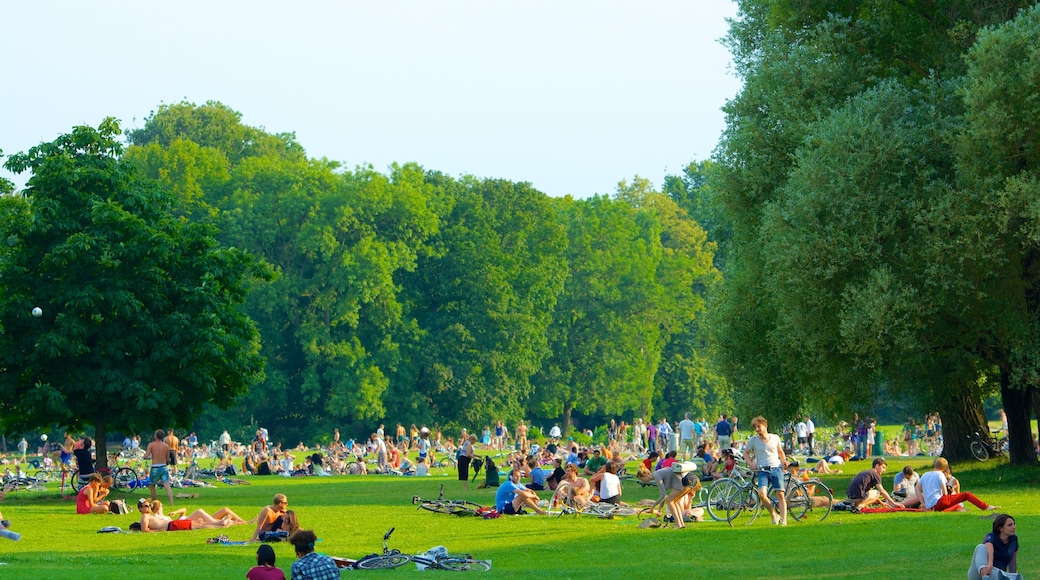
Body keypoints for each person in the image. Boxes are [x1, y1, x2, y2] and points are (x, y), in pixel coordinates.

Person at [744, 416, 788, 526]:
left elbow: (780, 452)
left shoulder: (775, 438)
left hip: (776, 468)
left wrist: (784, 461)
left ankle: (784, 520)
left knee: (780, 494)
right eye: (755, 427)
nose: (757, 429)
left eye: (758, 426)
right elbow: (746, 453)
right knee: (762, 494)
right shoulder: (753, 440)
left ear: (765, 426)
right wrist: (750, 463)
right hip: (762, 470)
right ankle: (773, 514)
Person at [916, 457, 999, 512]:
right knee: (966, 495)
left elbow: (917, 489)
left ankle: (957, 508)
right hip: (938, 502)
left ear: (934, 465)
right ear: (945, 468)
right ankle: (985, 507)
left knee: (953, 501)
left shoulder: (925, 474)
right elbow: (945, 493)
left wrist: (923, 503)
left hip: (930, 505)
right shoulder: (940, 475)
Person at [139, 498, 246, 531]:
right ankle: (221, 523)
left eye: (148, 505)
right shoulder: (145, 516)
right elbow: (144, 530)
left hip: (173, 524)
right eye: (146, 506)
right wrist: (157, 530)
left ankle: (222, 523)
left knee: (198, 523)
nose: (148, 507)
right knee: (198, 525)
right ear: (140, 509)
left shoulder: (149, 516)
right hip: (171, 525)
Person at [968, 514, 1020, 580]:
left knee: (1000, 574)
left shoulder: (1013, 539)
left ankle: (1007, 577)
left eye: (1014, 524)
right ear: (1000, 528)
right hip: (979, 574)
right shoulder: (991, 536)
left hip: (998, 574)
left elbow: (1012, 561)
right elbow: (990, 551)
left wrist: (1013, 574)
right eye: (1010, 525)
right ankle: (985, 576)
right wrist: (989, 566)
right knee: (980, 547)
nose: (1014, 527)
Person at [145, 429, 175, 506]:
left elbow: (146, 455)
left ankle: (154, 503)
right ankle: (171, 502)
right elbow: (168, 459)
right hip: (163, 467)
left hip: (155, 468)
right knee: (167, 486)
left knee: (152, 486)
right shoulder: (166, 446)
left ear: (155, 436)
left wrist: (144, 456)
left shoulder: (151, 445)